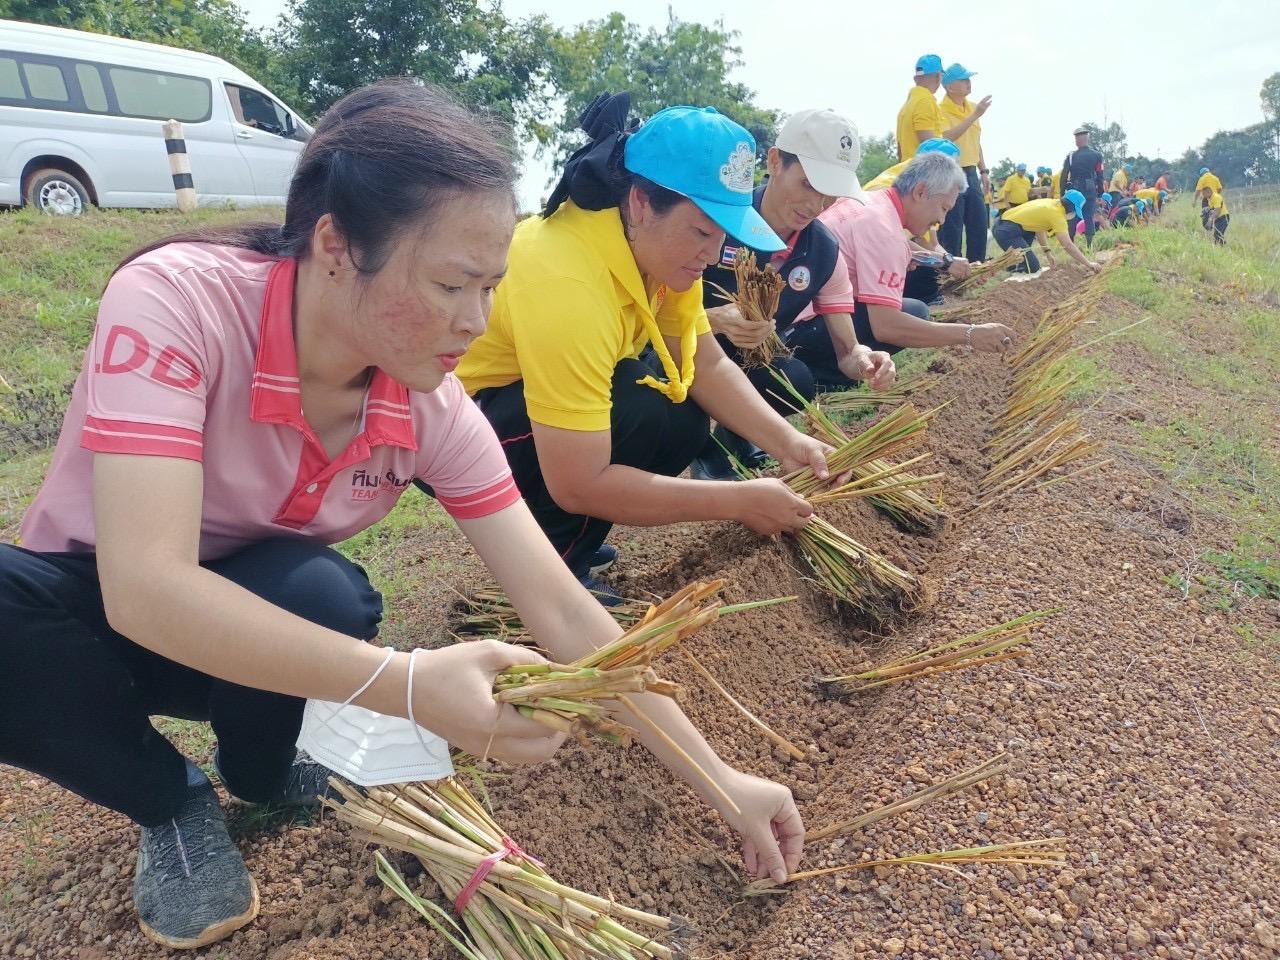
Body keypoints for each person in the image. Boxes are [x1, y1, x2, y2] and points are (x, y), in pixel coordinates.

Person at [0, 82, 806, 950]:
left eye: (491, 286)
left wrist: (721, 780)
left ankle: (264, 768)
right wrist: (411, 686)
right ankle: (169, 798)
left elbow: (566, 611)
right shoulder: (180, 304)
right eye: (452, 284)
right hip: (91, 611)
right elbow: (145, 587)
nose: (475, 321)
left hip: (254, 631)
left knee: (323, 595)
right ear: (337, 246)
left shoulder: (431, 405)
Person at [457, 96, 840, 593]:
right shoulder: (568, 283)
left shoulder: (657, 250)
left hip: (528, 402)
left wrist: (789, 443)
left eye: (722, 235)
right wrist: (739, 500)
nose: (711, 254)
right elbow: (579, 481)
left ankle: (570, 538)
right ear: (640, 201)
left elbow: (702, 360)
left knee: (678, 418)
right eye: (701, 231)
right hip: (461, 424)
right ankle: (543, 574)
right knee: (638, 408)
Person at [694, 108, 895, 479]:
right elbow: (648, 312)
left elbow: (847, 352)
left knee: (794, 379)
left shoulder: (823, 252)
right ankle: (700, 444)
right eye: (807, 184)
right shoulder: (714, 220)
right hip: (680, 353)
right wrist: (715, 320)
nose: (816, 206)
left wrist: (867, 360)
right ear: (774, 162)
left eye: (830, 195)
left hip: (749, 362)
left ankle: (734, 434)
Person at [790, 151, 1015, 369]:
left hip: (795, 307)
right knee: (913, 313)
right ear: (920, 192)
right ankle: (824, 373)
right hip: (799, 329)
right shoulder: (886, 230)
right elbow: (886, 327)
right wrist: (970, 334)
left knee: (913, 307)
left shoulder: (872, 201)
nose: (941, 220)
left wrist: (938, 261)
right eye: (943, 208)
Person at [937, 62, 990, 262]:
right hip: (950, 171)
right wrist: (974, 116)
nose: (969, 83)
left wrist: (983, 170)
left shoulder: (973, 107)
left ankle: (977, 268)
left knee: (978, 221)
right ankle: (952, 270)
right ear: (950, 86)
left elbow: (976, 141)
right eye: (964, 79)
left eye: (969, 79)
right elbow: (947, 136)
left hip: (971, 171)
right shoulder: (940, 110)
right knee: (952, 223)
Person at [894, 53, 990, 161]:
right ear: (938, 77)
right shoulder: (925, 102)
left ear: (916, 78)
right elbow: (929, 147)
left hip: (909, 170)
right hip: (924, 172)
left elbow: (900, 150)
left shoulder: (908, 104)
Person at [992, 189, 1102, 274]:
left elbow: (1039, 229)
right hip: (1007, 231)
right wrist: (1089, 264)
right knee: (1033, 267)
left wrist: (1048, 253)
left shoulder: (1052, 203)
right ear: (1071, 208)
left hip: (1006, 225)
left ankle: (1012, 264)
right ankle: (1000, 269)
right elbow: (1068, 245)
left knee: (1023, 259)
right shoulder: (1057, 215)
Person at [1060, 126, 1105, 247]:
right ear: (1087, 139)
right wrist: (1100, 194)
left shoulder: (1071, 156)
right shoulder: (1097, 155)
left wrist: (1061, 193)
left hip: (1075, 189)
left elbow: (1064, 176)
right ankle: (1089, 246)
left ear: (1077, 140)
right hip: (1090, 188)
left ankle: (1070, 245)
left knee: (1072, 217)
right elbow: (1100, 175)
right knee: (1089, 216)